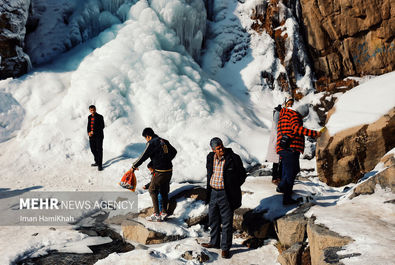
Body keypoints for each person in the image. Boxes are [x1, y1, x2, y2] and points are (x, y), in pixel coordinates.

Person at [201, 137, 247, 259]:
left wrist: (233, 186)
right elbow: (209, 173)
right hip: (213, 193)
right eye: (218, 148)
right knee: (213, 219)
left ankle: (225, 248)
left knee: (226, 222)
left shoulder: (233, 158)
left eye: (221, 146)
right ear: (213, 149)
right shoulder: (210, 157)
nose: (221, 149)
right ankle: (214, 242)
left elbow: (242, 174)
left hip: (226, 194)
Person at [276, 99, 321, 205]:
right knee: (291, 173)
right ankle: (286, 198)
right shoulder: (294, 115)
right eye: (303, 117)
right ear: (302, 114)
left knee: (291, 170)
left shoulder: (286, 114)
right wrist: (313, 133)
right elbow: (296, 128)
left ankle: (282, 187)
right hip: (290, 148)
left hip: (285, 148)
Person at [130, 128, 177, 222]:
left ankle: (156, 214)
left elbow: (143, 156)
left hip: (160, 171)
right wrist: (166, 160)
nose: (146, 140)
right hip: (169, 170)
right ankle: (163, 212)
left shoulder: (151, 143)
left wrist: (134, 166)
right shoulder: (163, 140)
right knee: (163, 190)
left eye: (145, 138)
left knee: (152, 189)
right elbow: (174, 151)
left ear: (148, 136)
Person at [265, 104, 283, 185]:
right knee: (277, 160)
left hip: (278, 139)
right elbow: (276, 128)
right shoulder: (277, 114)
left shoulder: (277, 114)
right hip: (277, 140)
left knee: (278, 160)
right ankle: (276, 177)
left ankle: (277, 176)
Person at [87, 105, 105, 171]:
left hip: (99, 136)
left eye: (93, 110)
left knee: (99, 150)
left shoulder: (100, 117)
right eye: (91, 110)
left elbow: (102, 126)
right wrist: (89, 132)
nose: (92, 111)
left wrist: (93, 131)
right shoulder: (89, 117)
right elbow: (88, 126)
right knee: (93, 149)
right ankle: (97, 161)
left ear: (95, 109)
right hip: (91, 136)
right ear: (89, 110)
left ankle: (100, 165)